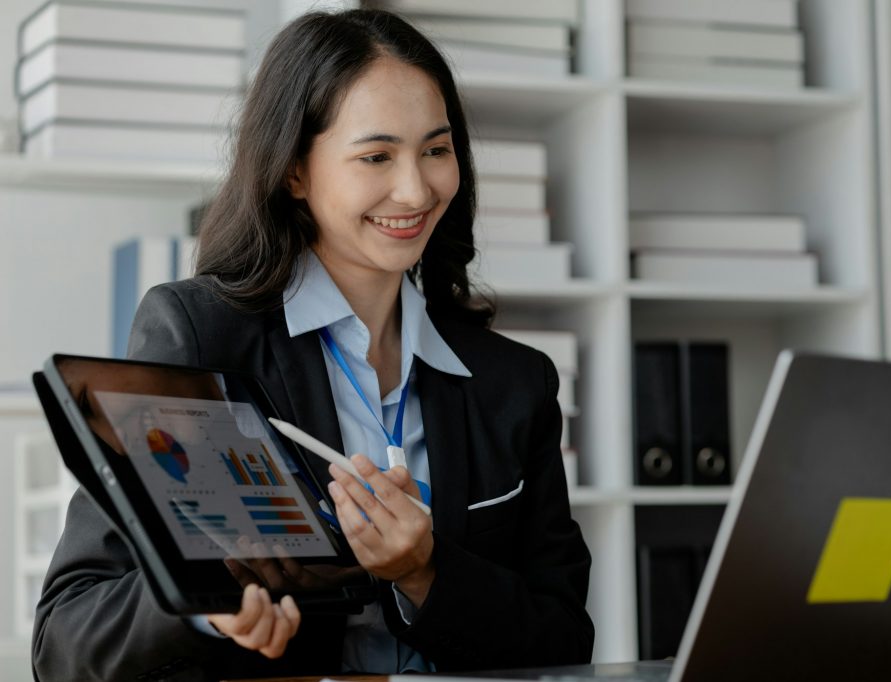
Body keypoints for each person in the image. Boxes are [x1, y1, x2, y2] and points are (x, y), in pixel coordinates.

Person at [32, 8, 593, 681]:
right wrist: (208, 609)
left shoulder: (514, 381)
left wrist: (425, 571)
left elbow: (564, 642)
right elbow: (66, 640)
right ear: (296, 171)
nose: (416, 188)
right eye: (377, 155)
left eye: (437, 150)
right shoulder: (203, 335)